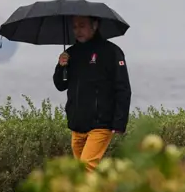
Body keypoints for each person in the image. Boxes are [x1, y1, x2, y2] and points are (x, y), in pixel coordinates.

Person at [53, 15, 132, 172]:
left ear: (95, 25)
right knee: (80, 173)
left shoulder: (112, 52)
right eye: (75, 27)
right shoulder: (70, 54)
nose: (78, 31)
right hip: (77, 125)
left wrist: (119, 123)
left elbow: (123, 88)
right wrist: (61, 66)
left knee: (85, 169)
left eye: (82, 25)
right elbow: (60, 85)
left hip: (101, 124)